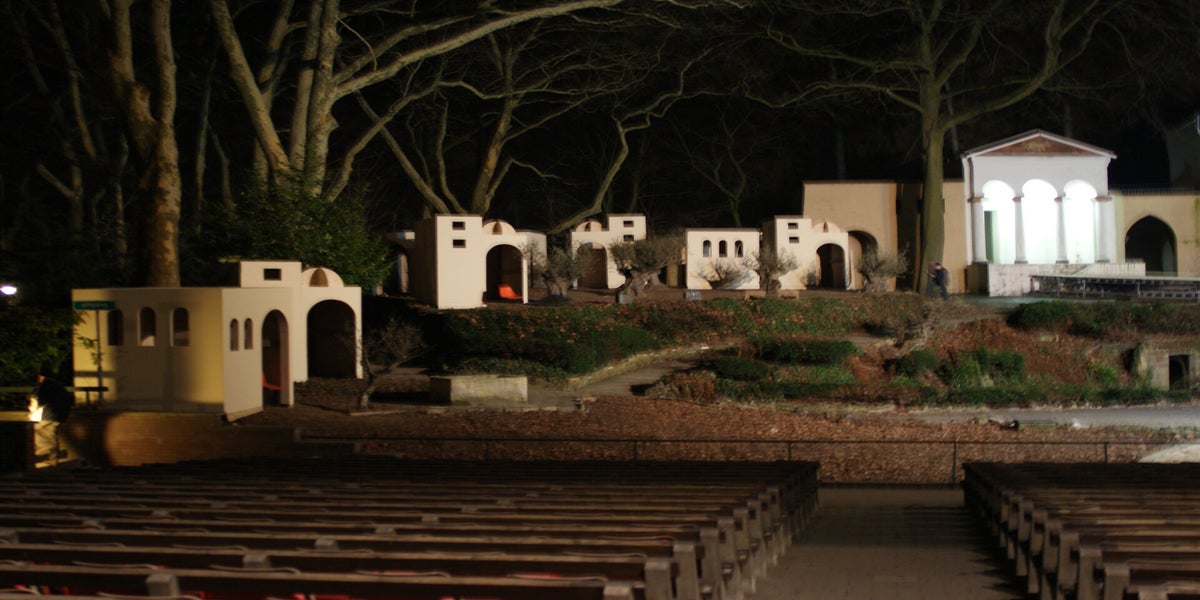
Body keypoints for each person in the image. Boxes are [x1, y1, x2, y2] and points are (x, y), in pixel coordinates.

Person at [29, 369, 74, 467]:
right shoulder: (59, 386)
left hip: (46, 416)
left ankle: (46, 461)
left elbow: (38, 401)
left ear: (40, 377)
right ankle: (52, 460)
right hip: (59, 416)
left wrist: (32, 412)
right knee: (51, 437)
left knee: (42, 439)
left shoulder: (43, 386)